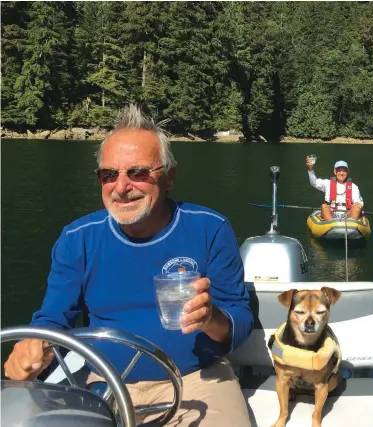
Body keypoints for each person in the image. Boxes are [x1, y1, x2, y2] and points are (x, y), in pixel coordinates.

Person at [3, 105, 253, 427]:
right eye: (109, 175)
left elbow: (240, 317)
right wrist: (34, 349)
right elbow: (53, 320)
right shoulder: (77, 239)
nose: (121, 187)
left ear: (170, 176)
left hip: (200, 379)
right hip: (102, 381)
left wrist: (210, 318)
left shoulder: (210, 229)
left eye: (138, 173)